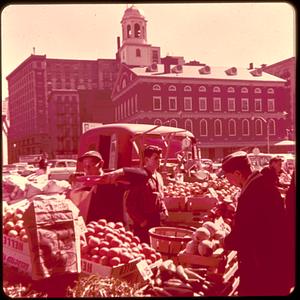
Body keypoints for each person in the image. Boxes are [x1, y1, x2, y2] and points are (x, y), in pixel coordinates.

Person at [221, 151, 290, 296]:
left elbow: (244, 234)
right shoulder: (261, 183)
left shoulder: (253, 192)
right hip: (273, 262)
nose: (228, 181)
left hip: (262, 266)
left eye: (228, 177)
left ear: (238, 173)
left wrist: (225, 242)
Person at [125, 145, 169, 243]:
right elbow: (129, 204)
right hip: (143, 224)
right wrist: (141, 221)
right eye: (155, 158)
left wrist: (164, 210)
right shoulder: (140, 177)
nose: (159, 161)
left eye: (160, 158)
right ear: (146, 160)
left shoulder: (159, 176)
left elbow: (160, 197)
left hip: (156, 221)